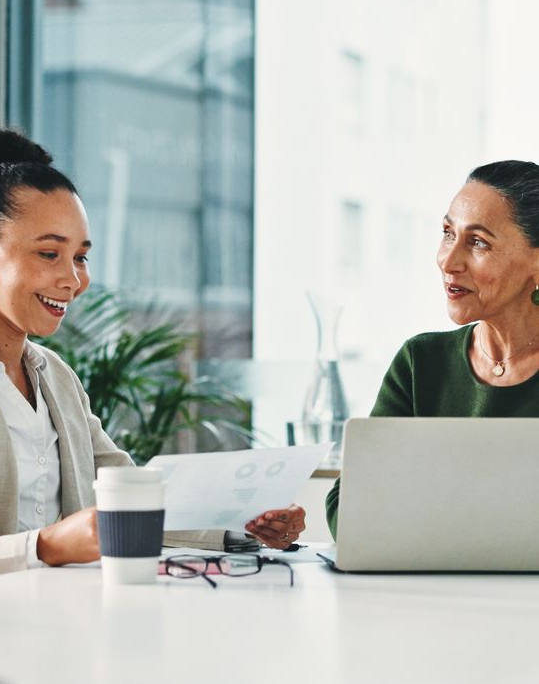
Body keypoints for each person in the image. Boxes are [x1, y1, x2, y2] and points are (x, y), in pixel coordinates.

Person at [0, 130, 305, 573]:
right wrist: (43, 547)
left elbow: (134, 496)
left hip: (59, 621)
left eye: (81, 257)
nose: (74, 279)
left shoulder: (55, 378)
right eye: (49, 253)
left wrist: (247, 524)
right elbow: (55, 544)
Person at [326, 159, 539, 539]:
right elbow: (349, 512)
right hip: (426, 592)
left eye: (477, 242)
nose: (447, 260)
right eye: (447, 233)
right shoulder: (420, 362)